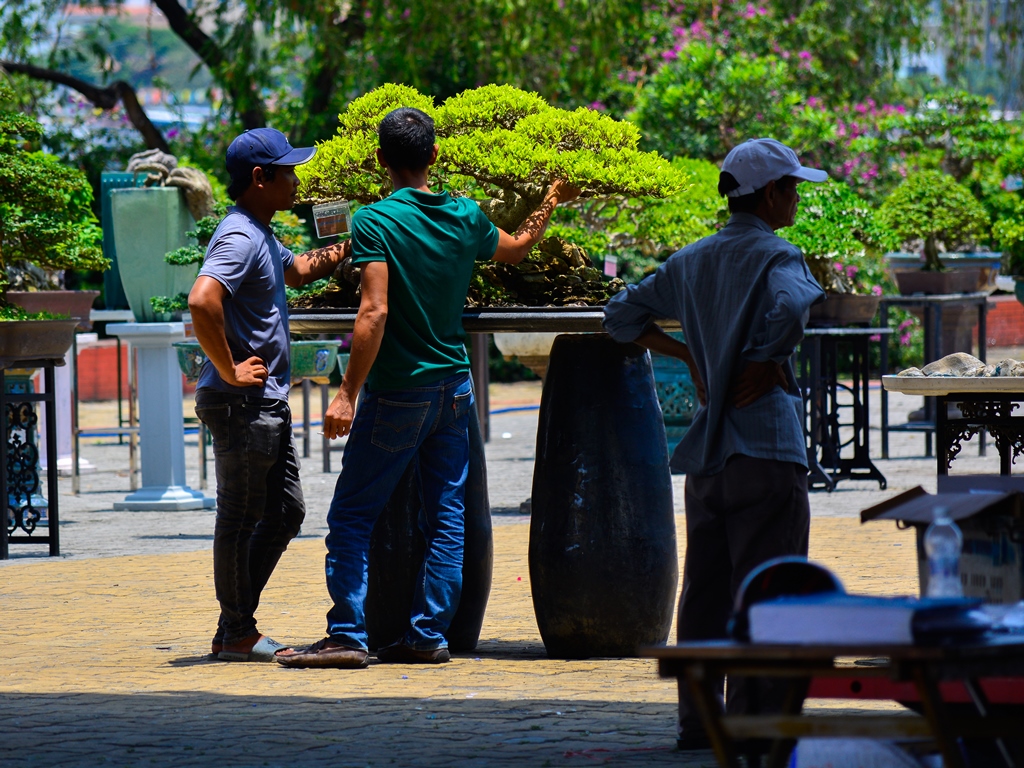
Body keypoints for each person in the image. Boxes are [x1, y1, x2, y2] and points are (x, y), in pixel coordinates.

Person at [277, 107, 579, 669]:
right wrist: (549, 201)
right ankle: (426, 635)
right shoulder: (465, 215)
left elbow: (373, 312)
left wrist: (346, 392)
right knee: (446, 517)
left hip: (398, 392)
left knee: (350, 516)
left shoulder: (373, 221)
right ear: (436, 156)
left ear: (379, 161)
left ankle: (346, 634)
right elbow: (515, 249)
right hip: (455, 389)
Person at [602, 138, 827, 748]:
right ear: (773, 193)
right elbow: (794, 306)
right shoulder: (780, 255)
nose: (798, 199)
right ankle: (755, 726)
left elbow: (620, 315)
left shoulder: (691, 260)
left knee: (703, 591)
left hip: (708, 459)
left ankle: (698, 721)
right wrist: (763, 358)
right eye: (794, 188)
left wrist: (693, 356)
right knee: (768, 587)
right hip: (767, 446)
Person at [189, 127, 350, 662]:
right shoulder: (239, 236)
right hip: (241, 403)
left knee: (284, 512)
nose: (297, 180)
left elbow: (299, 270)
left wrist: (348, 244)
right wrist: (230, 368)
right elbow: (202, 300)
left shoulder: (261, 232)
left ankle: (233, 624)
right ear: (260, 178)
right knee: (239, 516)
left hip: (265, 402)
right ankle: (235, 630)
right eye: (288, 171)